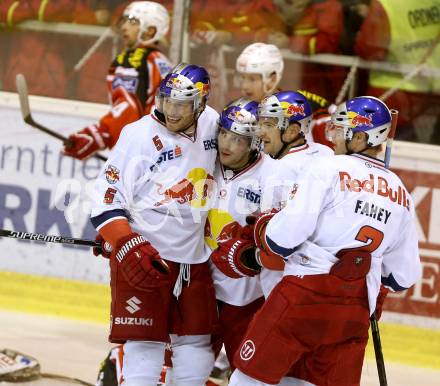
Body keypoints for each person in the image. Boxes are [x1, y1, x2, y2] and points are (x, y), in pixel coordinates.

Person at [227, 96, 421, 385]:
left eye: (340, 132)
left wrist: (265, 226)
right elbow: (402, 277)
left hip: (303, 295)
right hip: (353, 312)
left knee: (248, 380)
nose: (333, 139)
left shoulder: (328, 168)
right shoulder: (401, 192)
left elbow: (282, 240)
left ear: (359, 137)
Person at [91, 62, 219, 386]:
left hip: (194, 260)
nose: (171, 112)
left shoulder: (215, 125)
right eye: (166, 102)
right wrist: (123, 241)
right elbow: (106, 200)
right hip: (145, 259)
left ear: (200, 104)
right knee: (144, 350)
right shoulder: (138, 135)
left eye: (181, 105)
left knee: (196, 349)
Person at [206, 98, 274, 367]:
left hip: (248, 298)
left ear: (254, 143)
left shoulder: (270, 175)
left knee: (244, 373)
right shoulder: (206, 163)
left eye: (237, 139)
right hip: (202, 289)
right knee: (183, 367)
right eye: (223, 134)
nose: (226, 144)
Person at [63, 1, 172, 160]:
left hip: (140, 153)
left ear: (150, 31)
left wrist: (98, 134)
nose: (124, 27)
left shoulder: (134, 59)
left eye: (133, 21)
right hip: (163, 154)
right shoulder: (162, 61)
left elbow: (130, 106)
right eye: (125, 21)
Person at [355, 0, 440, 144]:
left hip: (393, 92)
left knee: (386, 150)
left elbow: (370, 51)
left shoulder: (386, 4)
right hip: (431, 88)